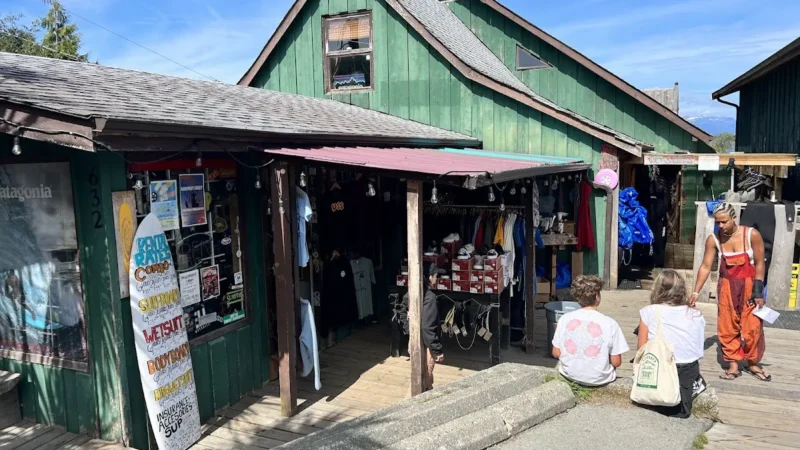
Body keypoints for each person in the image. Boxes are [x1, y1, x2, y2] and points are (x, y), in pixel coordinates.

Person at [692, 202, 770, 382]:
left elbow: (759, 263)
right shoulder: (714, 239)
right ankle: (733, 364)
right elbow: (705, 266)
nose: (720, 226)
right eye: (717, 222)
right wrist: (695, 292)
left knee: (753, 326)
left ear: (734, 218)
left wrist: (758, 291)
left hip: (750, 285)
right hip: (727, 286)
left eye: (724, 222)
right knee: (727, 326)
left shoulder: (752, 235)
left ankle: (752, 363)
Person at [638, 270, 706, 418]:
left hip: (661, 367)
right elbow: (698, 349)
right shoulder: (696, 314)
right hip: (688, 368)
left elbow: (641, 348)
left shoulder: (649, 311)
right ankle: (693, 385)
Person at [552, 275, 629, 386]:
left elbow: (556, 352)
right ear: (597, 297)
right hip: (600, 380)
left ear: (578, 298)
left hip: (569, 375)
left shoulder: (565, 319)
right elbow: (616, 362)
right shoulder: (610, 324)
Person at [404, 262, 445, 392]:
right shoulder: (430, 297)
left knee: (419, 377)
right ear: (429, 277)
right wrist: (437, 349)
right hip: (426, 346)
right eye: (435, 276)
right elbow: (428, 327)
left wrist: (409, 331)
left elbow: (401, 310)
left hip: (414, 342)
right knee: (424, 379)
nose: (436, 279)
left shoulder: (412, 293)